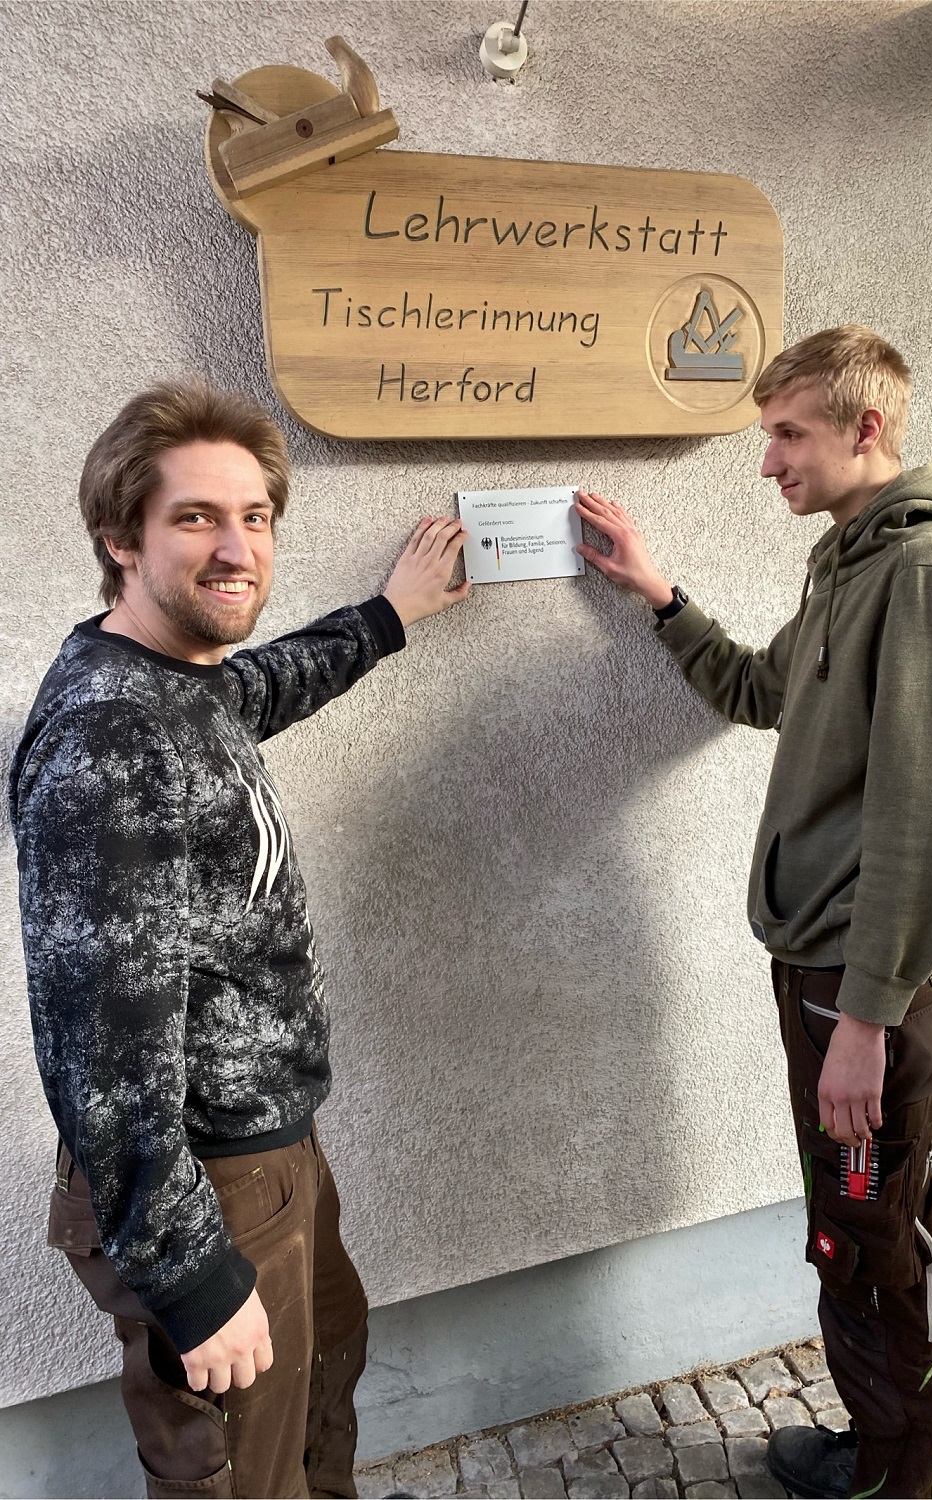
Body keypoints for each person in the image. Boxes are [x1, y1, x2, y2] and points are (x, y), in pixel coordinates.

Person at [8, 377, 470, 1499]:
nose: (237, 548)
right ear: (121, 538)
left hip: (268, 1150)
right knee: (238, 1469)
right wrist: (188, 1276)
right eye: (197, 518)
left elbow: (258, 686)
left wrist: (386, 618)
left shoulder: (178, 682)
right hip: (207, 1180)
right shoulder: (112, 740)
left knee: (318, 1386)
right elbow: (104, 1055)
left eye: (255, 517)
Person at [575, 325, 932, 1500]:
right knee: (879, 1219)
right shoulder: (852, 561)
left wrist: (866, 1017)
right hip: (826, 972)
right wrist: (656, 590)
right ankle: (906, 1455)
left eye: (788, 434)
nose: (767, 461)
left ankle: (897, 1480)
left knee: (865, 1235)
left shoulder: (920, 574)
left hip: (855, 983)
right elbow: (764, 690)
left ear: (868, 428)